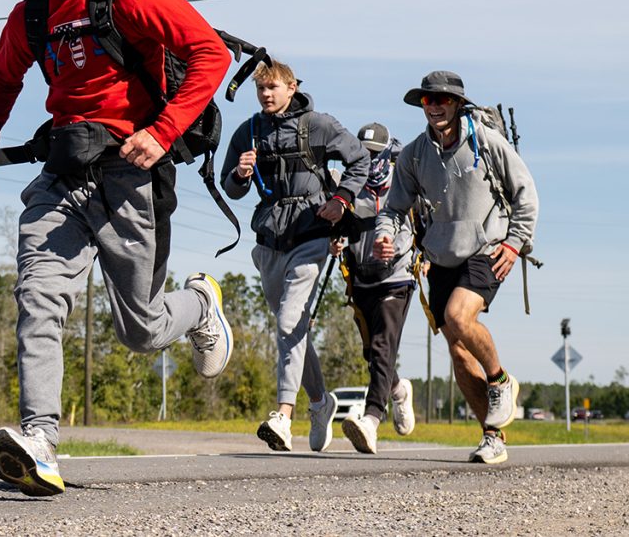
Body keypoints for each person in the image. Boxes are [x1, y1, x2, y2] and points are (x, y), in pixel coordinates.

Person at [0, 0, 233, 496]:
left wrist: (162, 134)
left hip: (129, 174)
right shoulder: (32, 11)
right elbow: (2, 80)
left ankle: (198, 307)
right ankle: (40, 440)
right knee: (38, 296)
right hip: (62, 174)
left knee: (139, 328)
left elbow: (210, 55)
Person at [374, 71, 538, 464]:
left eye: (442, 100)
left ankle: (500, 380)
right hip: (441, 256)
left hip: (487, 248)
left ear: (458, 104)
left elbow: (525, 194)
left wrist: (515, 244)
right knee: (460, 354)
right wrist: (384, 233)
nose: (434, 107)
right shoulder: (414, 154)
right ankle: (493, 436)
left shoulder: (486, 142)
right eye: (428, 101)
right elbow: (395, 207)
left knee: (458, 317)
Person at [220, 58, 369, 453]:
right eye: (261, 89)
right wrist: (240, 174)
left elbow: (360, 160)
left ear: (291, 87)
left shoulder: (318, 125)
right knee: (293, 326)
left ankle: (283, 416)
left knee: (288, 321)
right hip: (270, 238)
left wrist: (341, 200)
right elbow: (229, 187)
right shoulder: (249, 131)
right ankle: (321, 403)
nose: (266, 95)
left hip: (311, 232)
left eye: (273, 88)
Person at [332, 122, 417, 454]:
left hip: (397, 274)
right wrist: (335, 243)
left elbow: (421, 222)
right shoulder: (346, 184)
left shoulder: (405, 181)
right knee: (372, 352)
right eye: (361, 154)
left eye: (374, 155)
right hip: (361, 276)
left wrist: (398, 248)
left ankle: (371, 419)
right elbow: (337, 224)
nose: (367, 161)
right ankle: (398, 390)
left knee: (383, 346)